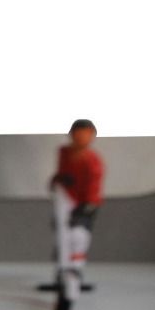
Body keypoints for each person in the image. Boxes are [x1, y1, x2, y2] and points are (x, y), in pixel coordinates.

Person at [48, 119, 105, 292]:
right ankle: (63, 271)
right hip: (65, 197)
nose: (80, 139)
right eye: (77, 134)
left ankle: (75, 271)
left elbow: (94, 186)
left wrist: (88, 205)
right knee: (62, 236)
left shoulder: (93, 161)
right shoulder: (64, 153)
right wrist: (58, 180)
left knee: (78, 236)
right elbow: (62, 171)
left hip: (82, 203)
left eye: (85, 135)